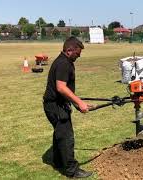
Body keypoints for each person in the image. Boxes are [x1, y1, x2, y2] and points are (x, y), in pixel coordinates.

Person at [43, 37, 96, 178]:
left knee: (60, 133)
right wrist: (79, 102)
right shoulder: (63, 64)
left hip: (55, 105)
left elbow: (65, 90)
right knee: (66, 136)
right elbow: (61, 88)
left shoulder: (64, 61)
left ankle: (58, 161)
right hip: (55, 106)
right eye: (77, 53)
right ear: (69, 50)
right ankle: (72, 170)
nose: (79, 56)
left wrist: (77, 103)